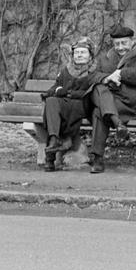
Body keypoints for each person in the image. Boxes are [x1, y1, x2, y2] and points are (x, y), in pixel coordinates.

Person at [86, 22, 136, 174]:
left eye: (124, 43)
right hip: (109, 101)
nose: (120, 47)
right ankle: (117, 124)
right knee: (99, 90)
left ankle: (97, 158)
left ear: (132, 41)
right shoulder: (105, 58)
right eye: (116, 44)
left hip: (128, 104)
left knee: (99, 112)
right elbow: (92, 75)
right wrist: (107, 78)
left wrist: (121, 74)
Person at [39, 39, 104, 171]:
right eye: (76, 53)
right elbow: (55, 88)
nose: (79, 55)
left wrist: (66, 92)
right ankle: (53, 141)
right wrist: (57, 91)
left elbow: (87, 93)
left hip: (85, 106)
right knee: (51, 101)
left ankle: (51, 156)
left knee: (68, 105)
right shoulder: (66, 70)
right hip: (67, 104)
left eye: (83, 52)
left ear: (90, 55)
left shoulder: (96, 70)